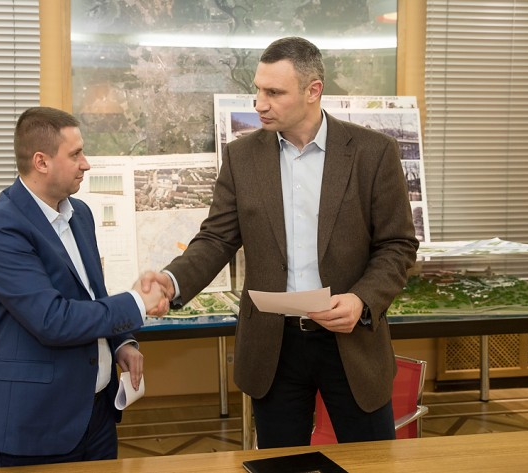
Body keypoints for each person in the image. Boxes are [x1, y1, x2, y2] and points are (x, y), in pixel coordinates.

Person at [142, 37, 419, 448]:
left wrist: (362, 300)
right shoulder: (242, 158)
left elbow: (397, 244)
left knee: (369, 464)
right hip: (273, 347)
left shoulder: (372, 152)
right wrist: (171, 281)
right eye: (257, 90)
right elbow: (216, 238)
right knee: (280, 464)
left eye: (274, 92)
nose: (260, 104)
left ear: (313, 91)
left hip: (351, 343)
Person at [0, 106, 168, 467]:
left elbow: (93, 294)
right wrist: (138, 303)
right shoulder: (0, 231)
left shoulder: (80, 214)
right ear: (41, 162)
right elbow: (53, 320)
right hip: (39, 424)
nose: (86, 164)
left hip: (97, 415)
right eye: (75, 154)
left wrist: (121, 343)